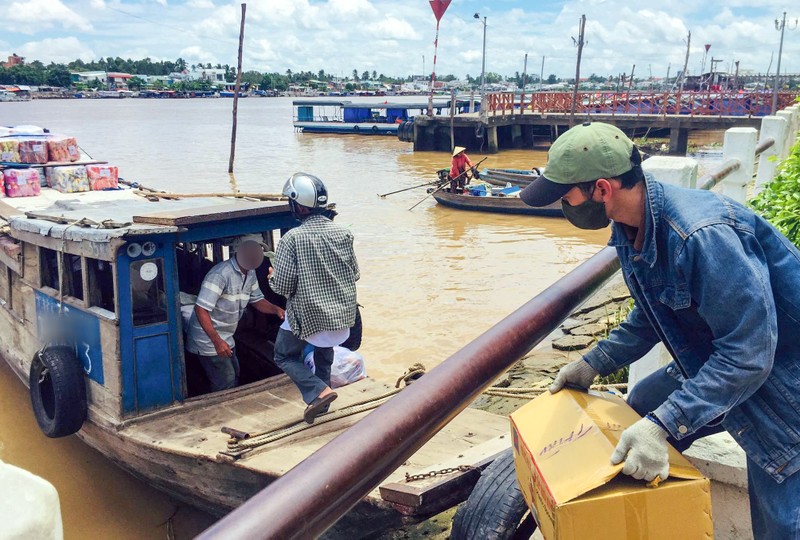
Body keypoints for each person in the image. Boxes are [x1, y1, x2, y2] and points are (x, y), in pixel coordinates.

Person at [520, 121, 800, 539]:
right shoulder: (632, 226)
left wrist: (664, 425)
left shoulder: (701, 237)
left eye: (566, 194)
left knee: (781, 517)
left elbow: (749, 355)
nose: (563, 203)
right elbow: (653, 311)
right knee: (643, 401)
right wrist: (593, 363)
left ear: (601, 189)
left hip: (780, 377)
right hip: (723, 354)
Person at [269, 173, 360, 424]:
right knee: (324, 354)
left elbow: (283, 286)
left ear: (298, 205)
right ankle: (323, 407)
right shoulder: (343, 233)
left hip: (311, 321)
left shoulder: (292, 239)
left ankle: (319, 392)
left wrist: (271, 275)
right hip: (341, 319)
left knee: (283, 355)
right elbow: (355, 274)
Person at [185, 235, 285, 392]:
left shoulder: (250, 273)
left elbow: (257, 300)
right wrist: (217, 342)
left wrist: (276, 309)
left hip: (227, 336)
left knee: (235, 373)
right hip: (208, 340)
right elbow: (201, 309)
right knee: (226, 381)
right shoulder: (220, 275)